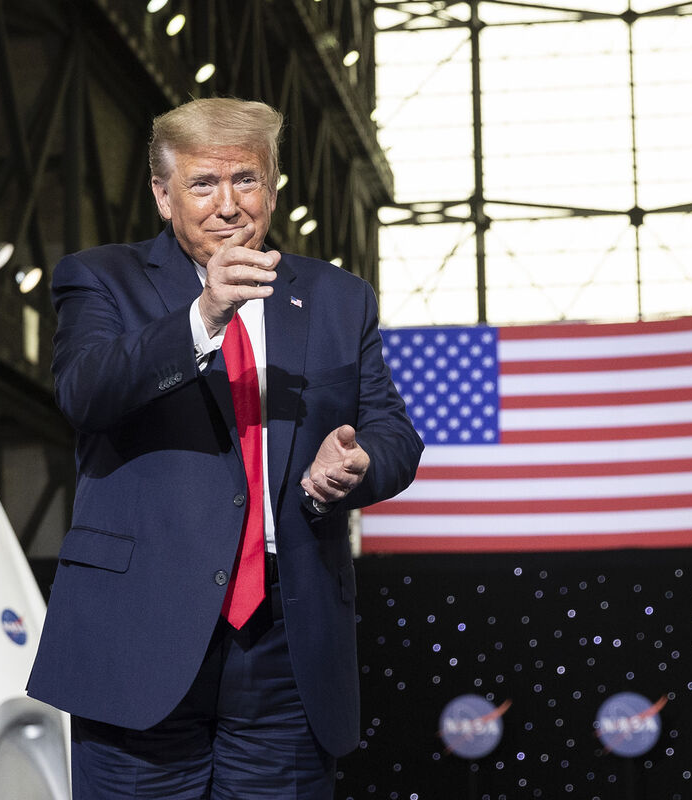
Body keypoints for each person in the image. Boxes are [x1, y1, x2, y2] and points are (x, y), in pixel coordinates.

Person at [27, 97, 422, 799]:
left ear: (271, 188)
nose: (228, 204)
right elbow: (86, 393)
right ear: (163, 196)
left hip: (286, 643)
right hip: (139, 631)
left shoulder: (339, 298)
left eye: (246, 179)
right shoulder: (99, 278)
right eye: (203, 184)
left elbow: (393, 432)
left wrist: (356, 466)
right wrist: (204, 315)